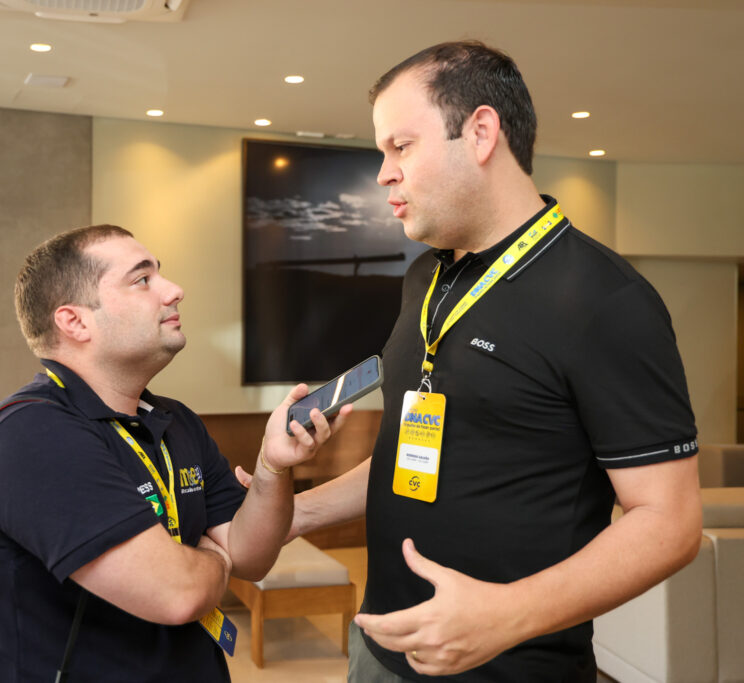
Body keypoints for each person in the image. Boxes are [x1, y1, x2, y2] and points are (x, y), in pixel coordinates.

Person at [249, 41, 702, 681]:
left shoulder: (605, 299)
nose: (383, 173)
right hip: (379, 651)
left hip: (513, 667)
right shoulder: (425, 280)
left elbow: (671, 523)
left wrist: (508, 613)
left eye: (399, 146)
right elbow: (418, 448)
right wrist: (298, 513)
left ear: (481, 132)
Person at [0, 224, 349, 682]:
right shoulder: (32, 433)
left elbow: (252, 556)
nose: (174, 291)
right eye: (142, 279)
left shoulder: (175, 420)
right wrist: (216, 558)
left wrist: (272, 467)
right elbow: (179, 593)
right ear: (75, 321)